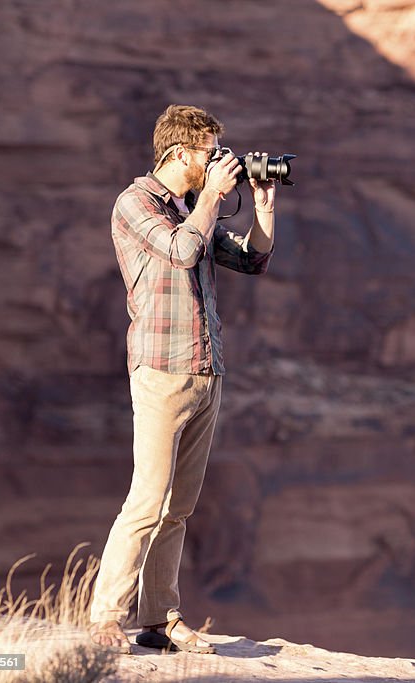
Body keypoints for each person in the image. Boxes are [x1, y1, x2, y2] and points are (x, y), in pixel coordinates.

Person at [87, 104, 277, 655]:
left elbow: (252, 261)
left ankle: (159, 618)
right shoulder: (135, 203)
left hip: (205, 370)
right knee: (147, 499)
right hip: (161, 371)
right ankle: (106, 617)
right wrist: (214, 198)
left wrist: (263, 209)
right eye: (208, 152)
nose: (217, 161)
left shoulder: (196, 206)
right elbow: (181, 249)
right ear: (178, 154)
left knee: (179, 506)